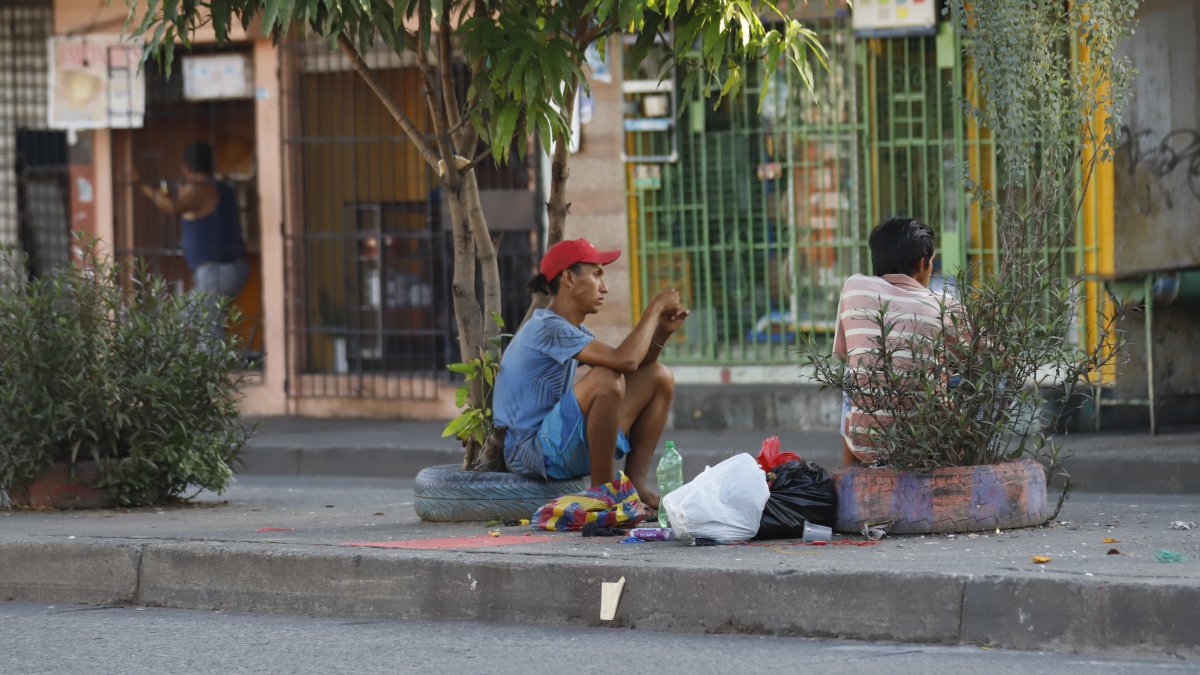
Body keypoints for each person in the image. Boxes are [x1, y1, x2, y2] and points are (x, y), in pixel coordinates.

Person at [493, 238, 688, 508]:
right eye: (596, 274)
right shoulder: (546, 327)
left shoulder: (571, 330)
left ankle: (635, 488)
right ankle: (603, 494)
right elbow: (625, 361)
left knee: (659, 377)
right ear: (569, 279)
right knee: (606, 379)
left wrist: (661, 333)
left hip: (556, 441)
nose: (605, 287)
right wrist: (654, 308)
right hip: (531, 452)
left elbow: (634, 367)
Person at [833, 216, 957, 466]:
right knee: (961, 376)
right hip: (927, 440)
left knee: (854, 372)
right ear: (923, 263)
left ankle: (848, 476)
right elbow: (982, 357)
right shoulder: (944, 305)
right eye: (931, 262)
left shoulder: (854, 287)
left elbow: (843, 353)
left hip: (864, 440)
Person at [130, 141, 248, 344]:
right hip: (230, 269)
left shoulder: (199, 189)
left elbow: (173, 207)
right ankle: (216, 367)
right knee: (190, 317)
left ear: (187, 167)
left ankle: (217, 371)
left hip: (216, 271)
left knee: (206, 326)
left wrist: (142, 185)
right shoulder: (222, 188)